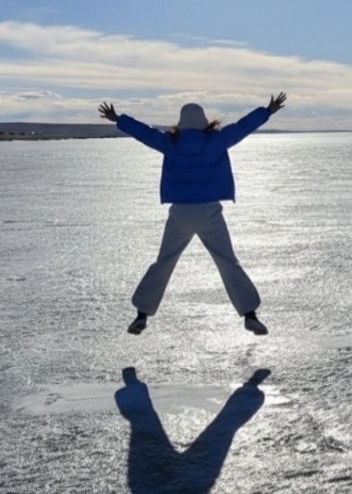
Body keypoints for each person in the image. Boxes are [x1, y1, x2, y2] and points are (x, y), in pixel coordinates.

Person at [98, 93, 287, 336]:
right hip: (209, 211)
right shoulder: (216, 141)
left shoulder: (170, 143)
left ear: (182, 121)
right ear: (203, 120)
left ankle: (141, 315)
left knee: (164, 261)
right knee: (227, 261)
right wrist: (267, 110)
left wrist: (117, 118)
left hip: (181, 213)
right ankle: (250, 314)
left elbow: (144, 133)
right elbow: (243, 127)